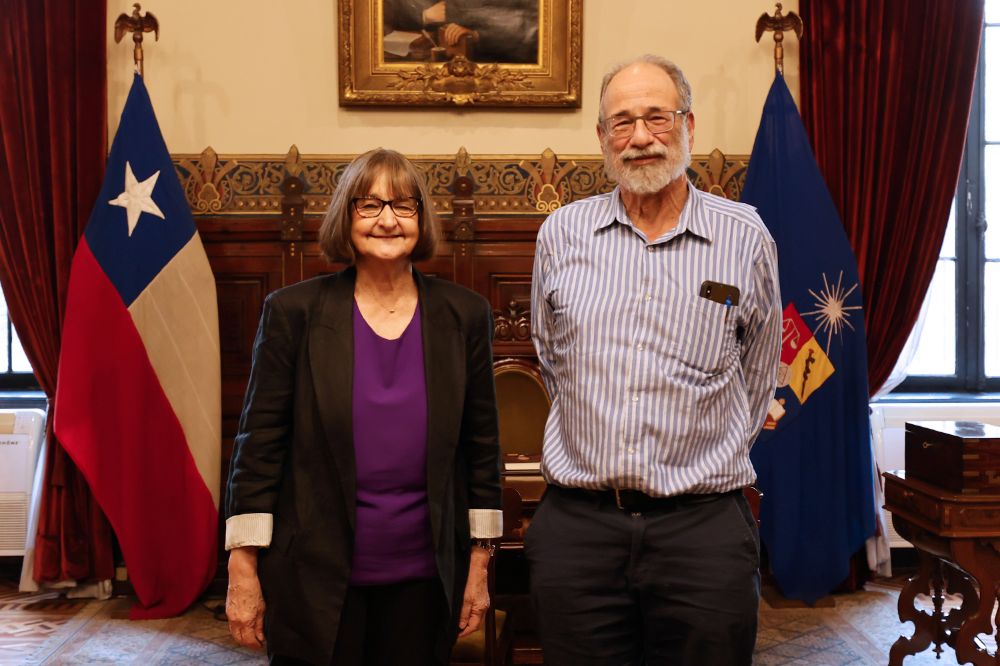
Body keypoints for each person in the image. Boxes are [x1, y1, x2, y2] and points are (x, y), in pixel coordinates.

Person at [527, 55, 782, 666]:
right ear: (602, 137)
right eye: (622, 122)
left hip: (703, 532)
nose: (640, 137)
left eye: (656, 118)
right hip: (580, 531)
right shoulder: (561, 234)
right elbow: (554, 359)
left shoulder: (745, 236)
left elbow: (758, 371)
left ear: (687, 124)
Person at [224, 148, 503, 665]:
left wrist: (480, 564)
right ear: (345, 217)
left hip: (425, 581)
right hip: (314, 580)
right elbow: (258, 446)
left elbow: (482, 448)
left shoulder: (465, 315)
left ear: (422, 217)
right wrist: (242, 567)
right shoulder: (293, 312)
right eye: (369, 205)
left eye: (403, 205)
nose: (388, 220)